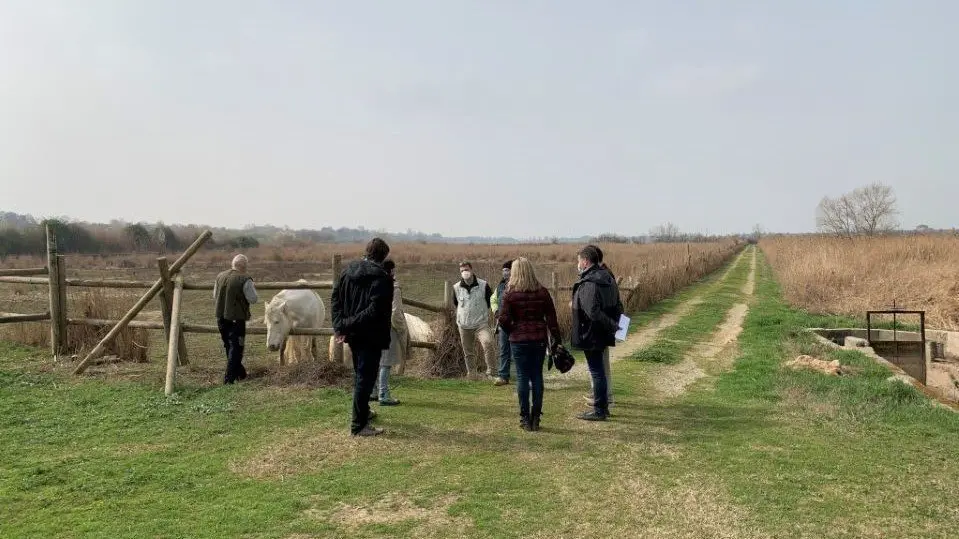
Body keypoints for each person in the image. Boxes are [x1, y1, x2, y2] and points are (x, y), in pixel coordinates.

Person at [331, 238, 395, 437]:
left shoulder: (347, 272)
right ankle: (358, 425)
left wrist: (340, 324)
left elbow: (335, 299)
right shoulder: (382, 278)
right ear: (383, 256)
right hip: (371, 335)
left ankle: (364, 411)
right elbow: (376, 310)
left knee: (361, 375)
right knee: (365, 379)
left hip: (353, 335)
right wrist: (347, 324)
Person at [497, 257, 560, 432]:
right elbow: (552, 318)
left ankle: (525, 418)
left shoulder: (510, 293)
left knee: (522, 377)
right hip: (539, 339)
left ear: (515, 272)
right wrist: (556, 340)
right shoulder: (542, 291)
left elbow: (502, 318)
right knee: (537, 376)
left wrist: (512, 329)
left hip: (518, 340)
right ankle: (536, 417)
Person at [570, 245, 623, 421]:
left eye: (579, 260)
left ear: (585, 261)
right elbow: (618, 305)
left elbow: (592, 311)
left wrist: (611, 325)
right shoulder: (608, 278)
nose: (577, 264)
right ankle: (603, 407)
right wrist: (615, 325)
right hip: (602, 332)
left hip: (591, 333)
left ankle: (600, 409)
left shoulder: (589, 282)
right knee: (600, 370)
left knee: (597, 372)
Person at [213, 254, 258, 384]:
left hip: (220, 317)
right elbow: (253, 299)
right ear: (244, 266)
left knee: (228, 345)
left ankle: (241, 374)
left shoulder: (220, 276)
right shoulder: (245, 279)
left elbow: (215, 295)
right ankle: (228, 379)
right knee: (237, 347)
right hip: (236, 319)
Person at [585, 246, 619, 408]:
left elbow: (595, 307)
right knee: (600, 365)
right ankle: (599, 394)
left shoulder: (600, 277)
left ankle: (605, 397)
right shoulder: (606, 275)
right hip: (604, 326)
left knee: (601, 366)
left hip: (598, 328)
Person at [452, 261, 497, 380]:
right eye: (462, 271)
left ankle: (492, 372)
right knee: (468, 352)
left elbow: (491, 301)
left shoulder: (484, 285)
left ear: (471, 270)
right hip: (464, 325)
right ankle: (472, 374)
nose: (464, 272)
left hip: (481, 323)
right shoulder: (456, 288)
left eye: (466, 269)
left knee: (488, 343)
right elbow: (456, 304)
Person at [377, 259, 408, 406]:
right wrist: (401, 329)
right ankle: (383, 394)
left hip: (373, 326)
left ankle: (373, 391)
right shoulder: (393, 288)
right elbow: (395, 313)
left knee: (376, 361)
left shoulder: (374, 285)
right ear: (392, 271)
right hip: (388, 329)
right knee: (386, 363)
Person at [490, 260, 514, 386]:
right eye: (504, 270)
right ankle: (503, 376)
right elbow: (493, 299)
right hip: (503, 323)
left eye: (508, 270)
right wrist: (496, 312)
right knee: (504, 349)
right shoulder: (500, 286)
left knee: (517, 350)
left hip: (517, 324)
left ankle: (523, 375)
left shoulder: (519, 284)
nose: (505, 273)